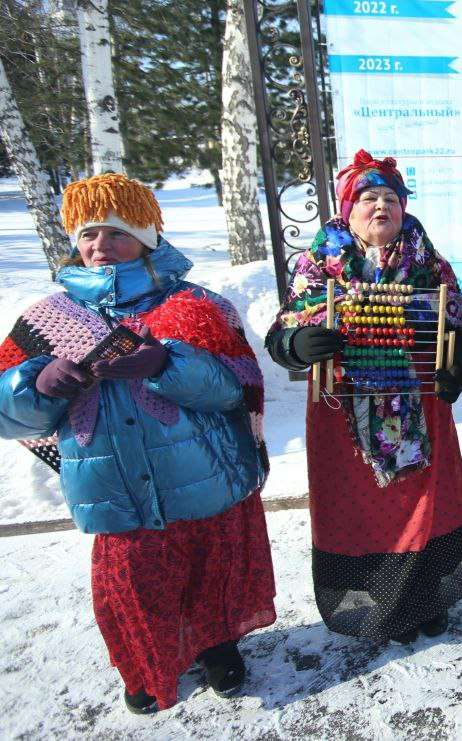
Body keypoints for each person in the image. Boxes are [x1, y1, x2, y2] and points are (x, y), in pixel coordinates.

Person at [0, 174, 275, 714]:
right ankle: (146, 662)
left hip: (204, 477)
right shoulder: (46, 319)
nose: (100, 245)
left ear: (148, 237)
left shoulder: (197, 306)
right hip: (114, 489)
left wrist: (166, 364)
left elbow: (236, 390)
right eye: (89, 235)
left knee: (209, 570)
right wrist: (35, 388)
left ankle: (218, 648)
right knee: (134, 585)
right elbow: (9, 413)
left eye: (116, 233)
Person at [266, 150, 462, 643]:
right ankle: (378, 606)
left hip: (419, 406)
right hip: (345, 414)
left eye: (391, 199)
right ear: (347, 209)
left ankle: (426, 599)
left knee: (422, 501)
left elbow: (457, 323)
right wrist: (294, 345)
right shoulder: (319, 264)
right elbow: (285, 328)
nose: (381, 206)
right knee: (362, 505)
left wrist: (458, 359)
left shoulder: (429, 262)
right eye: (369, 197)